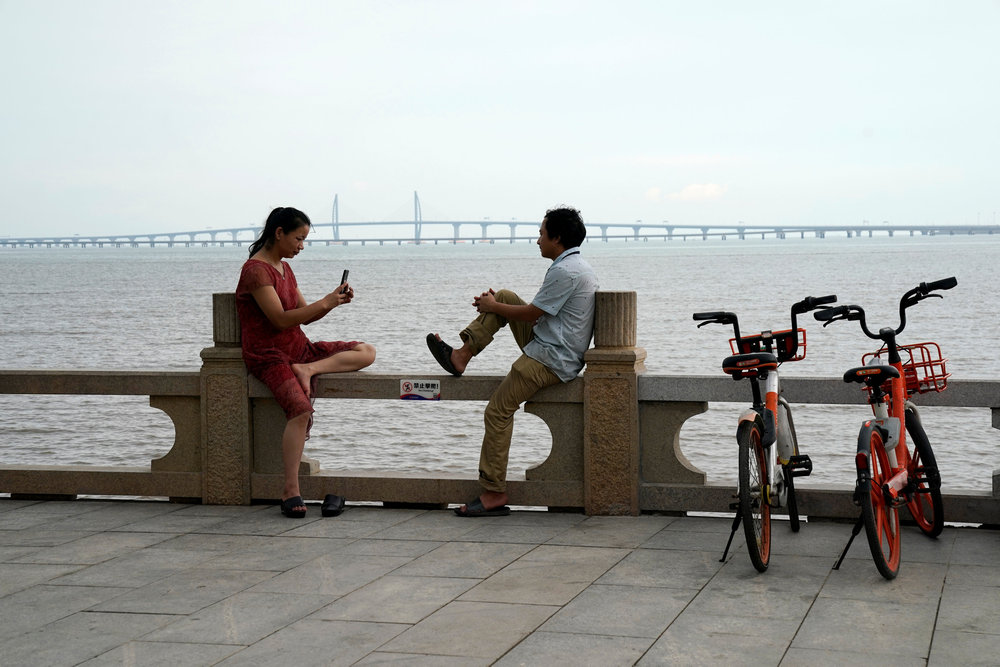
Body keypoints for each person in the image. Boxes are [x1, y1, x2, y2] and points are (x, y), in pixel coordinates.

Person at [426, 207, 598, 517]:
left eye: (541, 234)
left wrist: (492, 306)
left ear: (556, 238)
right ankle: (461, 357)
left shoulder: (565, 271)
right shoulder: (576, 264)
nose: (537, 240)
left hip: (551, 359)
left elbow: (532, 313)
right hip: (552, 344)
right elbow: (538, 313)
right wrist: (497, 304)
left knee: (497, 412)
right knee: (504, 295)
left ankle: (493, 492)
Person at [236, 207, 376, 518]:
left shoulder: (285, 269)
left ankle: (309, 369)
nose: (302, 245)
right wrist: (325, 301)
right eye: (299, 238)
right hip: (268, 355)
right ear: (279, 233)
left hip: (299, 349)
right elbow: (280, 319)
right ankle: (290, 490)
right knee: (300, 410)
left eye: (305, 240)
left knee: (367, 351)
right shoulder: (256, 271)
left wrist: (333, 301)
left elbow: (305, 318)